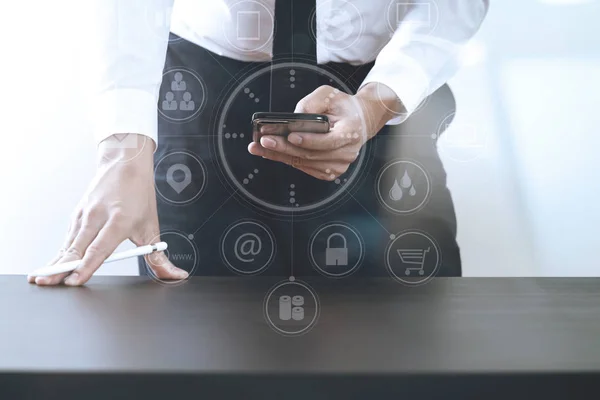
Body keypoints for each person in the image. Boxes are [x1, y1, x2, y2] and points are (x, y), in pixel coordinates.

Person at [28, 0, 489, 286]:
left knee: (412, 337)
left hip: (384, 94)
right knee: (185, 343)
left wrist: (378, 103)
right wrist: (122, 150)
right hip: (201, 96)